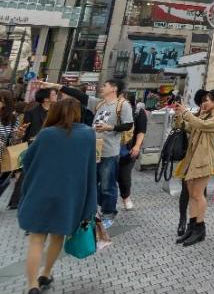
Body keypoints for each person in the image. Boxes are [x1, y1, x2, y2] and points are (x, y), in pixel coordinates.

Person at [17, 97, 97, 294]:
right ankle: (46, 273)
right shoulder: (88, 135)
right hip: (70, 197)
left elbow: (26, 160)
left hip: (41, 193)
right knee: (57, 237)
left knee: (36, 240)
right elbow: (90, 170)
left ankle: (32, 286)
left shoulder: (46, 134)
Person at [41, 80, 134, 226]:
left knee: (107, 185)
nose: (102, 87)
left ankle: (108, 214)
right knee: (89, 183)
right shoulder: (99, 103)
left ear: (114, 88)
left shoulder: (123, 105)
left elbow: (128, 124)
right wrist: (57, 86)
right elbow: (79, 95)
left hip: (109, 153)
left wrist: (110, 127)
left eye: (105, 85)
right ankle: (90, 212)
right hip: (93, 151)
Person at [172, 89, 214, 247]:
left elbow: (202, 125)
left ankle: (200, 228)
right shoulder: (203, 114)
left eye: (207, 100)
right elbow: (189, 127)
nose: (203, 103)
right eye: (202, 101)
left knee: (198, 194)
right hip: (192, 158)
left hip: (203, 159)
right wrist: (179, 114)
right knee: (191, 193)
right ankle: (192, 226)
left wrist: (186, 112)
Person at [7, 88, 54, 209]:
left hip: (50, 148)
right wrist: (22, 135)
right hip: (32, 147)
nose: (56, 95)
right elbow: (23, 132)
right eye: (53, 94)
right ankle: (15, 202)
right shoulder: (31, 112)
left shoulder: (55, 112)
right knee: (25, 174)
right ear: (46, 98)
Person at [118, 101, 148, 211]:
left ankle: (126, 197)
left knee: (124, 175)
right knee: (108, 176)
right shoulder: (110, 109)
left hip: (128, 149)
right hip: (109, 149)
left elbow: (141, 131)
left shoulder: (138, 112)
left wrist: (137, 146)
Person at [0, 90, 26, 201]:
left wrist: (19, 134)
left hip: (2, 155)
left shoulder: (13, 118)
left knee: (3, 181)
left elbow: (12, 141)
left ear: (6, 102)